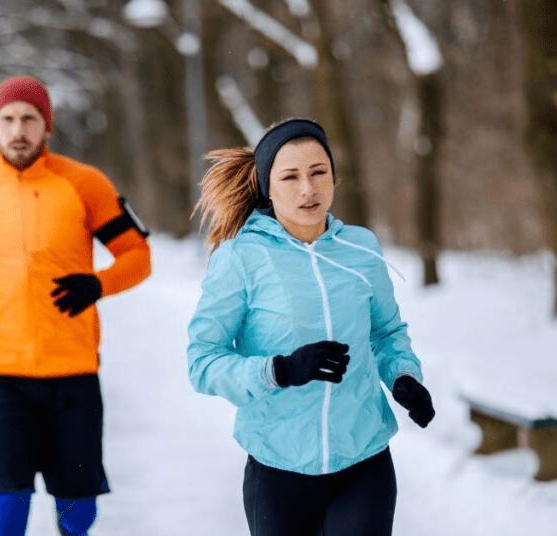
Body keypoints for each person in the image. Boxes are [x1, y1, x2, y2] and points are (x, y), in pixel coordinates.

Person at [0, 75, 152, 536]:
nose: (18, 130)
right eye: (7, 119)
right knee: (7, 510)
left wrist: (98, 284)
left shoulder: (84, 184)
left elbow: (138, 256)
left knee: (79, 513)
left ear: (48, 126)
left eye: (29, 118)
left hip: (73, 375)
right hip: (0, 377)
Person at [186, 118, 435, 536]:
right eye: (290, 177)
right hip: (277, 474)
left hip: (364, 463)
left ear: (334, 176)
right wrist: (278, 370)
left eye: (319, 172)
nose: (308, 189)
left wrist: (404, 377)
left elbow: (385, 333)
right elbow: (203, 361)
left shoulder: (360, 248)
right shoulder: (241, 258)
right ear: (267, 187)